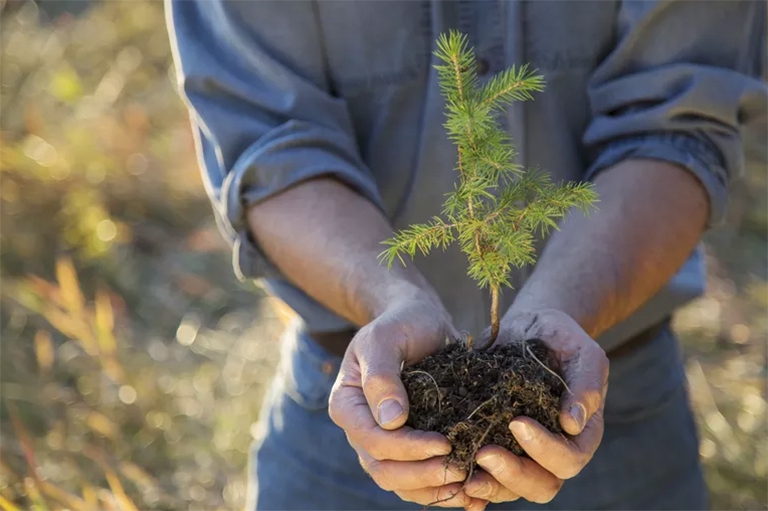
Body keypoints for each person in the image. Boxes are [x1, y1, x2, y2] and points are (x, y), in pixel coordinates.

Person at [166, 1, 766, 509]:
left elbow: (678, 125)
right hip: (355, 406)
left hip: (613, 406)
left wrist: (560, 313)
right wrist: (392, 297)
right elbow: (268, 145)